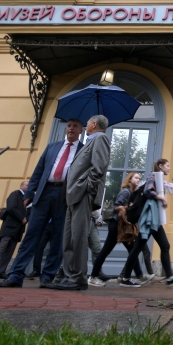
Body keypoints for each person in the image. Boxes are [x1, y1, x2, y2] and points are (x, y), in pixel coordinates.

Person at [0, 119, 84, 288]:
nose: (71, 128)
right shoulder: (52, 147)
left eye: (75, 126)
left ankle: (47, 277)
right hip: (44, 193)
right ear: (66, 129)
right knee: (31, 234)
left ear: (81, 130)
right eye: (69, 125)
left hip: (65, 196)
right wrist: (29, 193)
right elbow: (39, 170)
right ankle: (15, 275)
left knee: (58, 238)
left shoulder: (83, 150)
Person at [51, 114, 111, 291]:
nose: (85, 125)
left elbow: (98, 167)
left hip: (82, 194)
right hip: (73, 195)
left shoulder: (100, 138)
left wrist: (87, 188)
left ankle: (78, 278)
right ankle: (69, 275)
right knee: (69, 237)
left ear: (93, 124)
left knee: (78, 237)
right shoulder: (91, 140)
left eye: (87, 123)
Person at [117, 158, 173, 287]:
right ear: (160, 166)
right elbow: (147, 191)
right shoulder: (154, 176)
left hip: (154, 220)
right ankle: (125, 279)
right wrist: (161, 197)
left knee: (165, 246)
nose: (169, 168)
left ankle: (169, 277)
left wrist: (161, 203)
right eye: (167, 165)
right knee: (138, 248)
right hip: (149, 220)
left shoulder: (158, 179)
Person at [88, 172, 155, 287]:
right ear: (130, 180)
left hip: (124, 227)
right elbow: (116, 206)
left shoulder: (133, 193)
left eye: (139, 178)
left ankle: (136, 276)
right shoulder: (125, 191)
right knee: (106, 251)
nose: (138, 180)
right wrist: (129, 207)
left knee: (132, 250)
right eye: (136, 178)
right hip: (117, 226)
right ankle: (93, 277)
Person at [0, 180, 28, 280]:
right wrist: (22, 219)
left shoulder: (29, 199)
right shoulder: (15, 194)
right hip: (9, 226)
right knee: (2, 249)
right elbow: (11, 208)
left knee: (10, 251)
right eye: (27, 185)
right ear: (22, 186)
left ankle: (2, 271)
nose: (29, 187)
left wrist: (26, 219)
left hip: (18, 229)